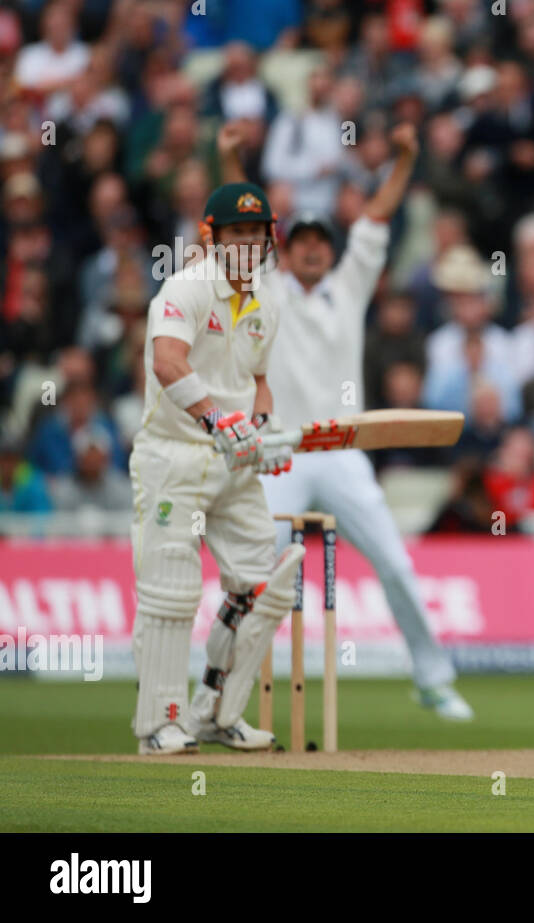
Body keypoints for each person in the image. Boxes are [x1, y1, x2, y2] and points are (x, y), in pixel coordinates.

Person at [214, 122, 473, 720]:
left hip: (342, 448)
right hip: (278, 452)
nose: (310, 248)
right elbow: (240, 225)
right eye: (299, 239)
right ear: (286, 247)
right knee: (254, 575)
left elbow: (378, 216)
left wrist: (405, 158)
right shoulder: (263, 288)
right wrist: (230, 158)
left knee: (396, 563)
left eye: (318, 241)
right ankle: (221, 684)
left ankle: (433, 679)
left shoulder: (349, 288)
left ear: (329, 250)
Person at [131, 180, 300, 754]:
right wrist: (215, 421)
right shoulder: (184, 288)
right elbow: (167, 361)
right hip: (173, 457)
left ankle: (216, 712)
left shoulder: (267, 301)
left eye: (257, 232)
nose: (248, 243)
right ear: (212, 236)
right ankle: (160, 722)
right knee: (172, 591)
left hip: (232, 464)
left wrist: (262, 430)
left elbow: (258, 383)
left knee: (261, 586)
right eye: (237, 232)